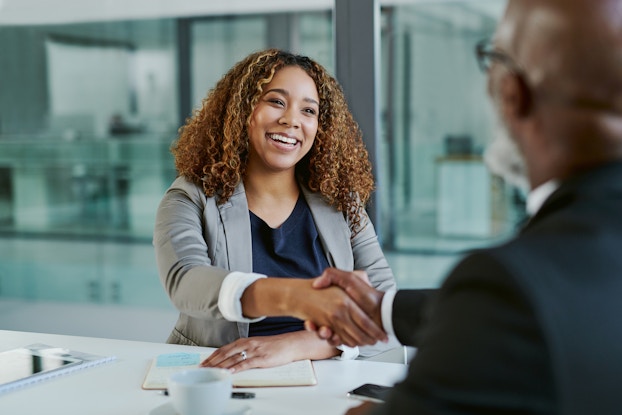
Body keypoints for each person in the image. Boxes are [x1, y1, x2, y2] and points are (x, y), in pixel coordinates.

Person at [303, 0, 622, 413]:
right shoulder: (555, 273)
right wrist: (384, 310)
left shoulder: (510, 286)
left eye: (493, 59)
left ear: (512, 93)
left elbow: (505, 311)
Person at [153, 48, 400, 373]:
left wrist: (293, 346)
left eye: (308, 110)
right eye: (276, 101)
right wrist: (297, 297)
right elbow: (186, 282)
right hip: (221, 375)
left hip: (323, 377)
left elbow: (385, 310)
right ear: (243, 110)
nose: (291, 120)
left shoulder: (341, 203)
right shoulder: (191, 197)